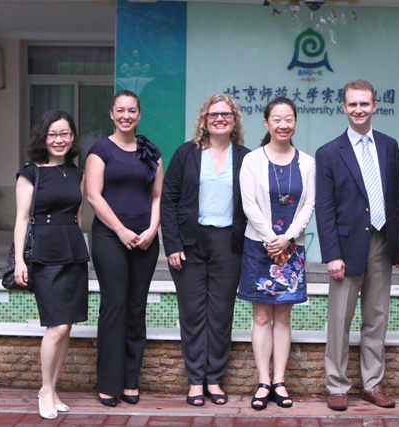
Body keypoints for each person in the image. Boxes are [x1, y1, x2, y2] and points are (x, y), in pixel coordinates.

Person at [316, 79, 399, 411]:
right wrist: (332, 254)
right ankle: (337, 386)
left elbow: (396, 197)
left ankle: (372, 384)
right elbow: (324, 208)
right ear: (343, 107)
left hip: (383, 241)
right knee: (339, 320)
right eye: (352, 104)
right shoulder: (328, 152)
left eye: (364, 104)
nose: (358, 109)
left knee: (376, 317)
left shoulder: (389, 146)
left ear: (374, 106)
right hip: (346, 246)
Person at [160, 94, 250, 406]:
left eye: (226, 114)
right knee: (193, 313)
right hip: (190, 244)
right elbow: (168, 200)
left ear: (234, 120)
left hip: (229, 244)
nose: (219, 119)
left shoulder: (246, 157)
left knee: (221, 314)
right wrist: (172, 244)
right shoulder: (186, 153)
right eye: (213, 114)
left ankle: (214, 380)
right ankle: (195, 381)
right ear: (204, 119)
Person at [85, 90, 163, 407]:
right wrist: (121, 230)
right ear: (111, 113)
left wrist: (152, 230)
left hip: (145, 241)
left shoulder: (150, 151)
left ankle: (130, 381)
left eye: (131, 111)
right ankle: (109, 383)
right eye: (120, 110)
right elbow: (93, 195)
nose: (126, 116)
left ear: (139, 114)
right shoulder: (100, 150)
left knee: (136, 308)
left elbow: (157, 196)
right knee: (115, 306)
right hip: (110, 238)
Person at [237, 97, 316, 410]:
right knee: (260, 316)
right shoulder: (252, 160)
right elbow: (249, 205)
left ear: (295, 122)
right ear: (266, 123)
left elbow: (309, 204)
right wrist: (272, 239)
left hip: (292, 248)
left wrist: (288, 237)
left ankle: (280, 381)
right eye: (277, 119)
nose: (283, 125)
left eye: (289, 119)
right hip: (259, 246)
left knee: (283, 316)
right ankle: (263, 381)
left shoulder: (307, 162)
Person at [13, 110, 89, 419]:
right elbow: (21, 219)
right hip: (44, 253)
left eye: (65, 133)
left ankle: (54, 389)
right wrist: (20, 260)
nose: (59, 140)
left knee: (67, 325)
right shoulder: (30, 172)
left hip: (73, 251)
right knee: (56, 325)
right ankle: (45, 389)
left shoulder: (77, 173)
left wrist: (80, 247)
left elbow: (78, 216)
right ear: (43, 138)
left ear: (72, 138)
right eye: (52, 134)